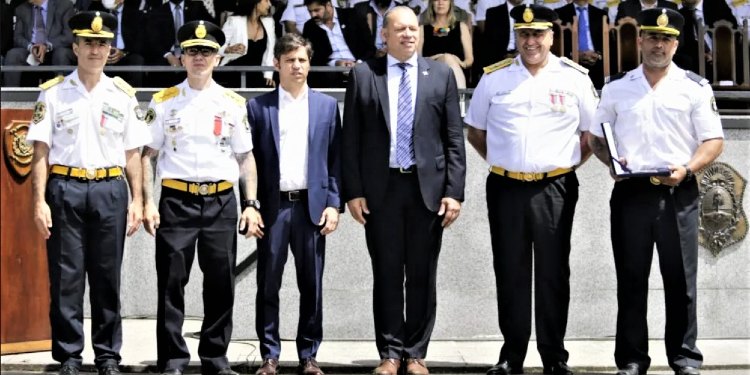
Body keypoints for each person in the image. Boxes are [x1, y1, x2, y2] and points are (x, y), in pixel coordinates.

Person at [588, 8, 724, 375]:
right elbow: (596, 138)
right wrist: (610, 164)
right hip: (631, 194)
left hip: (678, 194)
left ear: (676, 44)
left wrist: (688, 169)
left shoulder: (695, 87)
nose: (659, 45)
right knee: (631, 281)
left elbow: (712, 141)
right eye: (652, 37)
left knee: (681, 283)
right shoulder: (616, 87)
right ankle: (632, 360)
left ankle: (683, 358)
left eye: (666, 39)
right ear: (640, 41)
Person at [464, 5, 598, 375]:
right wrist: (506, 162)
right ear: (516, 37)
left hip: (555, 187)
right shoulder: (495, 78)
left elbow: (590, 135)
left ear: (551, 37)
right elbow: (475, 131)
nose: (531, 41)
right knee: (510, 271)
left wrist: (564, 165)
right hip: (505, 187)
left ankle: (554, 357)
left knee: (554, 273)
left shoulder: (573, 78)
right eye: (524, 34)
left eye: (538, 34)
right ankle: (512, 356)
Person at [342, 6, 466, 375]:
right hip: (381, 190)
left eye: (414, 28)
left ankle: (415, 353)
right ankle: (390, 353)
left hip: (426, 190)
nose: (409, 35)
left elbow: (454, 138)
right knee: (387, 273)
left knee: (423, 274)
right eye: (400, 29)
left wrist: (454, 191)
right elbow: (351, 140)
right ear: (385, 35)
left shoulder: (440, 75)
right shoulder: (365, 75)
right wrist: (353, 191)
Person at [26, 11, 150, 375]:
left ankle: (108, 356)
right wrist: (38, 201)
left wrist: (138, 199)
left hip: (111, 190)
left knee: (107, 277)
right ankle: (69, 356)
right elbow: (40, 153)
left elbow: (133, 155)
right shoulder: (52, 94)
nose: (96, 50)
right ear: (75, 47)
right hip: (65, 189)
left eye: (102, 44)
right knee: (66, 278)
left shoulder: (123, 95)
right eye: (89, 43)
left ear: (110, 50)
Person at [140, 20, 255, 375]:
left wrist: (251, 204)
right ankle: (173, 359)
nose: (199, 57)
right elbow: (148, 154)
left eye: (206, 52)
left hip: (221, 201)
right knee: (172, 282)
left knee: (221, 282)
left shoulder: (233, 103)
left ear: (218, 58)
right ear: (181, 58)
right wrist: (146, 201)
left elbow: (245, 157)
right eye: (192, 51)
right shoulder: (163, 101)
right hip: (177, 201)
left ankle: (215, 357)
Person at [247, 33, 343, 375]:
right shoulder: (258, 107)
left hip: (311, 207)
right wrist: (252, 205)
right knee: (268, 283)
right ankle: (270, 355)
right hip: (273, 208)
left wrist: (334, 204)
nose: (297, 66)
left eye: (302, 60)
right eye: (290, 60)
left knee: (312, 284)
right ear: (277, 63)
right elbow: (250, 161)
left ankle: (308, 355)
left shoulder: (327, 107)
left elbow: (335, 161)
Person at [3, 0, 76, 87]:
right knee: (13, 55)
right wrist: (30, 47)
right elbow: (17, 37)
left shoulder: (64, 6)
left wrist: (47, 46)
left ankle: (63, 95)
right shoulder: (21, 9)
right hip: (31, 51)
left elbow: (69, 36)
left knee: (61, 54)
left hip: (55, 49)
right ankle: (11, 98)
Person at [302, 0, 375, 87]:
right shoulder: (310, 26)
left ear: (328, 5)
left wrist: (358, 63)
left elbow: (370, 48)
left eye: (317, 10)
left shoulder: (352, 15)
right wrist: (336, 63)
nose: (313, 15)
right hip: (330, 71)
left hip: (359, 64)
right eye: (310, 11)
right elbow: (314, 58)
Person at [88, 0, 146, 87]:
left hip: (125, 54)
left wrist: (124, 53)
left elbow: (140, 42)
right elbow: (88, 36)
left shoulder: (135, 14)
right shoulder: (95, 11)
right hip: (100, 52)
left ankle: (134, 96)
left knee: (137, 59)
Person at [220, 0, 277, 88]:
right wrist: (228, 49)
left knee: (269, 85)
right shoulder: (235, 21)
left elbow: (270, 53)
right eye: (266, 0)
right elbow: (216, 46)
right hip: (233, 71)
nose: (269, 4)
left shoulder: (269, 23)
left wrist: (268, 76)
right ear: (255, 2)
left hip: (256, 73)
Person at [417, 0, 473, 89]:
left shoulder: (462, 27)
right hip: (431, 76)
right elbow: (418, 60)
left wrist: (460, 63)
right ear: (431, 3)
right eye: (436, 0)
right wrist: (439, 57)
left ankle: (459, 94)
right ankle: (460, 97)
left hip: (457, 72)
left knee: (448, 60)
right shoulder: (422, 30)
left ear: (450, 3)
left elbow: (469, 59)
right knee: (447, 58)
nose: (440, 2)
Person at [557, 0, 608, 88]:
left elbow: (608, 43)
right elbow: (558, 43)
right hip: (570, 62)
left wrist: (598, 55)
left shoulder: (601, 14)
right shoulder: (560, 13)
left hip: (596, 61)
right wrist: (574, 54)